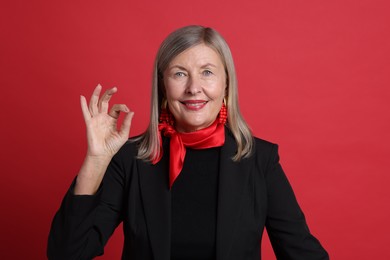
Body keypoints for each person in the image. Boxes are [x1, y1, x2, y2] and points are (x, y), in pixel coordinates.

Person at [48, 25, 329, 260]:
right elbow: (67, 254)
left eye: (207, 72)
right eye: (179, 73)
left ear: (226, 84)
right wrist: (96, 160)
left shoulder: (260, 160)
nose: (194, 87)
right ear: (163, 85)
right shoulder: (129, 159)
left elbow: (303, 254)